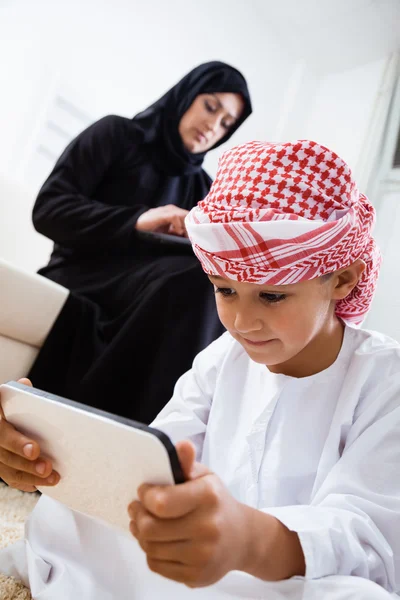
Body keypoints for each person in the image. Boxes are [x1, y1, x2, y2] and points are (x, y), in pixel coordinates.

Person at [1, 140, 399, 600]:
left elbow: (368, 535)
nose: (242, 322)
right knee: (66, 515)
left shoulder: (386, 380)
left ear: (343, 278)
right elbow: (158, 459)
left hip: (300, 571)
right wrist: (51, 456)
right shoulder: (221, 357)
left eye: (271, 296)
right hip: (202, 552)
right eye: (224, 290)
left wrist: (250, 541)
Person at [28, 61, 252, 424]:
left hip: (151, 285)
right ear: (186, 95)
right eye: (211, 106)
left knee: (211, 284)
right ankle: (110, 429)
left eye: (227, 123)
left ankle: (156, 439)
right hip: (81, 271)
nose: (213, 125)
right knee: (191, 284)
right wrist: (138, 221)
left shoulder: (203, 187)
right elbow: (49, 209)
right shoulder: (117, 134)